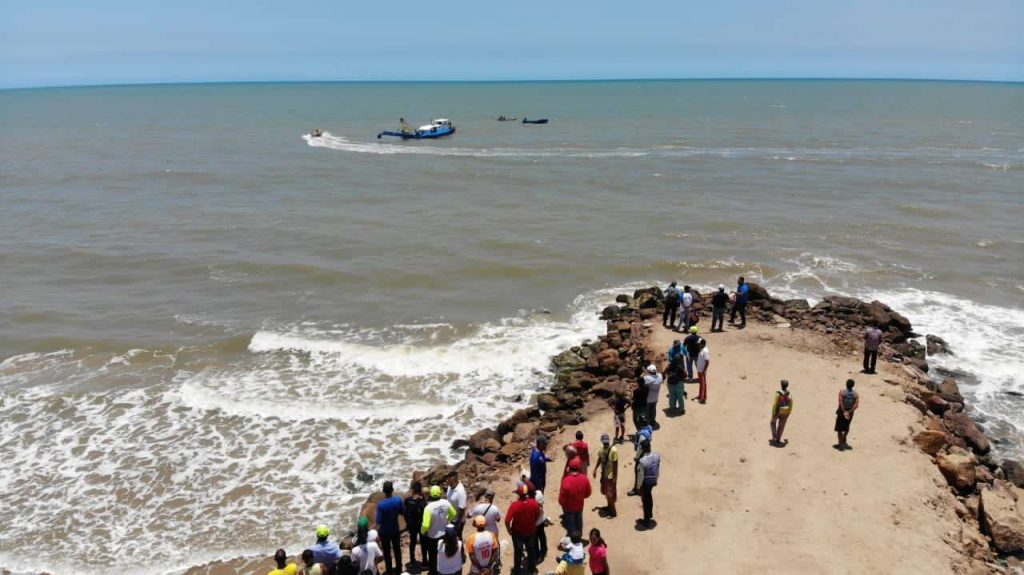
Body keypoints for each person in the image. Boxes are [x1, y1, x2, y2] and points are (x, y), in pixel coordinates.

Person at [505, 483, 541, 575]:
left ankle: (517, 570)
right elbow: (538, 514)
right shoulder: (534, 503)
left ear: (518, 494)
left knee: (518, 552)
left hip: (518, 533)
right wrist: (533, 522)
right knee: (531, 550)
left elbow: (507, 520)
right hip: (531, 532)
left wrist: (509, 530)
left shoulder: (514, 505)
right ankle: (532, 569)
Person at [422, 485, 458, 575]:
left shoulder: (428, 508)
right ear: (440, 493)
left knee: (432, 556)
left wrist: (423, 531)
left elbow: (425, 525)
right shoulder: (446, 503)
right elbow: (454, 514)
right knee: (444, 552)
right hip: (444, 533)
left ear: (430, 494)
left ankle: (433, 572)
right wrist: (447, 520)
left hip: (433, 536)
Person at [375, 481, 404, 575]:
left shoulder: (381, 505)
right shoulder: (398, 500)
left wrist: (376, 532)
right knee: (397, 549)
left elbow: (379, 521)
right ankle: (399, 568)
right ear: (392, 490)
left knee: (387, 552)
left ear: (383, 491)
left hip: (384, 532)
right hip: (395, 529)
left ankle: (389, 571)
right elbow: (402, 511)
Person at [558, 458, 592, 536]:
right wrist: (581, 497)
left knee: (571, 527)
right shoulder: (584, 479)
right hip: (579, 506)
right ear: (579, 468)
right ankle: (578, 538)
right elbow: (588, 493)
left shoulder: (566, 481)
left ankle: (572, 539)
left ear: (569, 468)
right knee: (579, 523)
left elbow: (561, 499)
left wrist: (563, 504)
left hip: (568, 508)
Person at [636, 439, 661, 528]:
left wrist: (638, 487)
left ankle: (646, 520)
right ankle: (649, 515)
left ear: (643, 449)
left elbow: (640, 476)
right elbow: (657, 467)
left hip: (646, 483)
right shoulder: (656, 456)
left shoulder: (643, 461)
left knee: (645, 500)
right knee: (649, 497)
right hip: (653, 480)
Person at [592, 433, 619, 517]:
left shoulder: (614, 450)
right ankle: (609, 507)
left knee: (610, 494)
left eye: (606, 442)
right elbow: (600, 459)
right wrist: (595, 469)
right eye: (604, 442)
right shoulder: (601, 449)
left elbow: (615, 464)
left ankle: (613, 512)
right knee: (606, 493)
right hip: (604, 475)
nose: (605, 443)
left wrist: (614, 477)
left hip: (610, 476)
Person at [405, 481, 429, 571]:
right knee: (424, 543)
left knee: (413, 542)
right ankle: (424, 562)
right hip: (421, 525)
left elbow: (405, 513)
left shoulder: (407, 500)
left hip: (411, 525)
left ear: (413, 490)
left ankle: (412, 560)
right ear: (420, 491)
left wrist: (407, 523)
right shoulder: (423, 502)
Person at [835, 379, 859, 451]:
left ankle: (840, 445)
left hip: (842, 411)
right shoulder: (855, 394)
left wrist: (844, 411)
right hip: (850, 412)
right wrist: (849, 412)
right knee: (847, 426)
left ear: (846, 384)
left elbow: (841, 402)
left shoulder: (842, 392)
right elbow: (856, 405)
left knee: (839, 428)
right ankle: (844, 439)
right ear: (853, 385)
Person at [770, 380, 794, 446]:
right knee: (781, 426)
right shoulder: (790, 394)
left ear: (781, 385)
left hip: (778, 411)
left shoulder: (778, 393)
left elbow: (775, 404)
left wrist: (773, 412)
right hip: (786, 412)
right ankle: (778, 440)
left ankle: (774, 437)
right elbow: (791, 404)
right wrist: (788, 413)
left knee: (772, 422)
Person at [447, 471, 468, 539]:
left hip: (458, 520)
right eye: (448, 481)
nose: (449, 484)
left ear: (455, 480)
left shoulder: (461, 492)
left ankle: (461, 546)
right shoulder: (450, 486)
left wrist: (457, 524)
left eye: (450, 482)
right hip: (451, 518)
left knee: (457, 538)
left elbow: (462, 509)